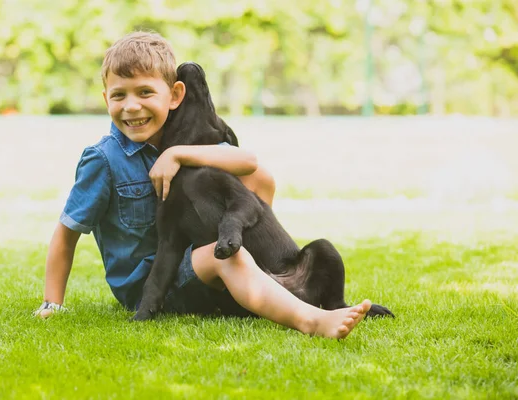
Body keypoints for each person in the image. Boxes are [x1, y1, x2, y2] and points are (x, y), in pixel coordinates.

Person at [34, 31, 371, 339]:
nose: (131, 106)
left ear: (175, 95)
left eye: (145, 92)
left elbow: (250, 164)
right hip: (151, 285)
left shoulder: (182, 141)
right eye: (119, 95)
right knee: (226, 256)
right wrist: (53, 304)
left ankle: (265, 273)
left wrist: (178, 154)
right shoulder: (103, 160)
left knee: (255, 182)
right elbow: (66, 234)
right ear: (105, 97)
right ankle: (311, 321)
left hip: (195, 261)